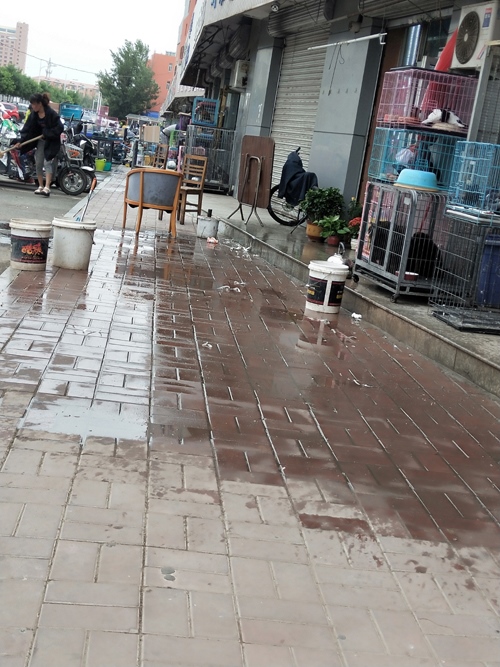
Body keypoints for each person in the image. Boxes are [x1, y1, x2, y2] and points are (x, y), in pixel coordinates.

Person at [16, 92, 64, 197]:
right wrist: (20, 141)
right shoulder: (34, 114)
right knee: (38, 163)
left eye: (34, 104)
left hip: (51, 141)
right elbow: (27, 129)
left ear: (40, 103)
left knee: (47, 162)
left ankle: (47, 187)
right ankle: (40, 186)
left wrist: (47, 133)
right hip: (40, 141)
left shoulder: (51, 113)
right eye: (32, 104)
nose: (32, 106)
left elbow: (60, 127)